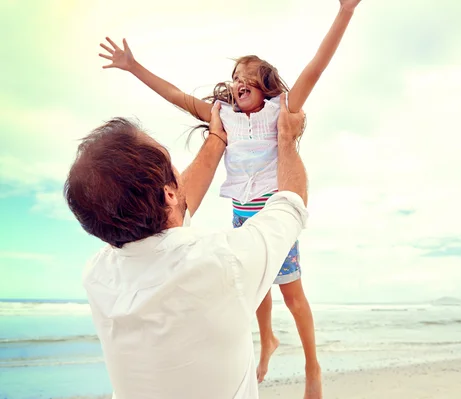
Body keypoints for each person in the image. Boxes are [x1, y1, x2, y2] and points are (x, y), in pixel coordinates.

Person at [97, 1, 362, 389]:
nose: (239, 81)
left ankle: (312, 365)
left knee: (292, 295)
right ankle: (267, 339)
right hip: (241, 212)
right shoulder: (223, 116)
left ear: (265, 84)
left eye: (249, 76)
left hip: (276, 210)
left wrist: (345, 13)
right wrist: (133, 66)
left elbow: (315, 68)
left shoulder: (282, 110)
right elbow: (176, 95)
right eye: (236, 75)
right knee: (256, 291)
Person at [64, 94, 310, 399]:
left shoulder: (98, 276)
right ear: (168, 193)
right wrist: (287, 137)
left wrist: (218, 137)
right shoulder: (223, 262)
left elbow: (173, 209)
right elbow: (291, 204)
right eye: (171, 163)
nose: (179, 172)